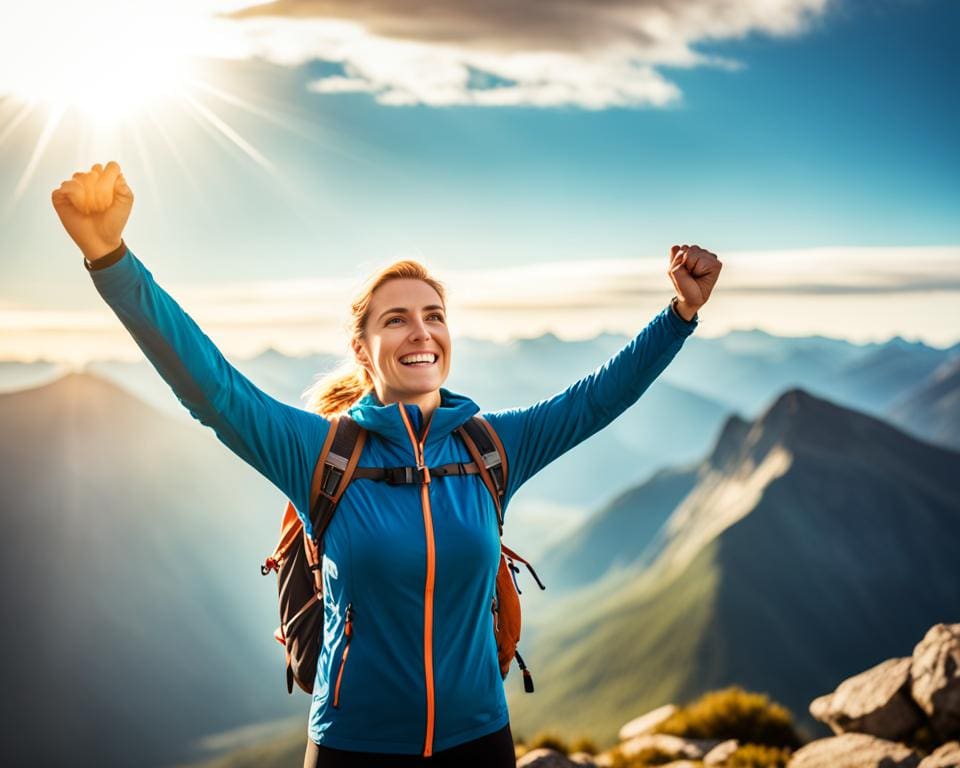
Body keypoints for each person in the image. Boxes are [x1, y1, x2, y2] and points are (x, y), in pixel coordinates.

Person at [52, 161, 722, 767]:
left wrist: (681, 312)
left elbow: (597, 399)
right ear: (363, 346)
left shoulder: (491, 450)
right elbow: (210, 386)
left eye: (434, 315)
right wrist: (110, 257)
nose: (421, 331)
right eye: (396, 319)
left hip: (480, 740)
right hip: (353, 748)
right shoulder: (318, 455)